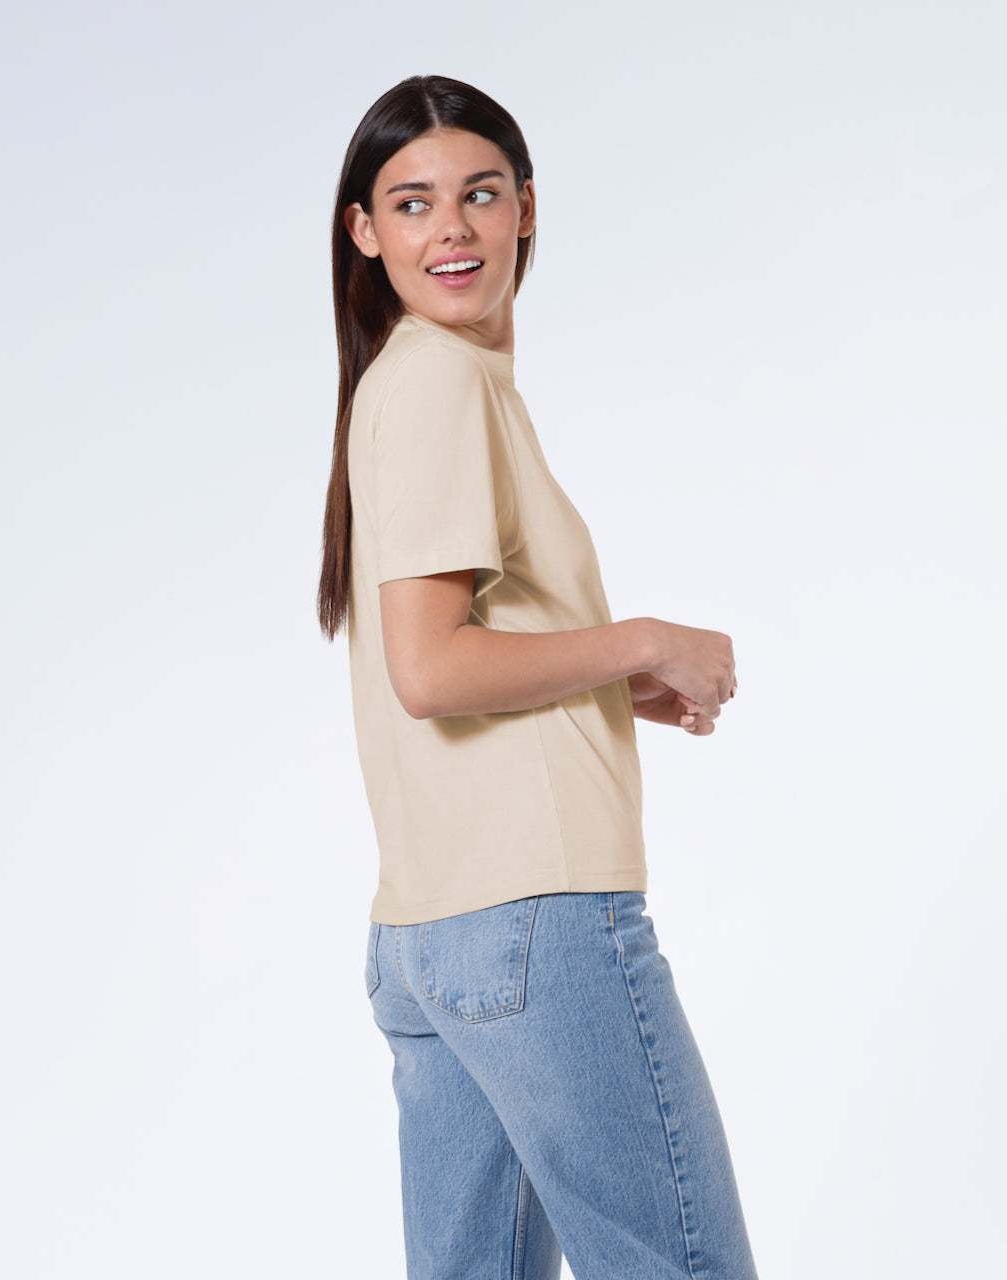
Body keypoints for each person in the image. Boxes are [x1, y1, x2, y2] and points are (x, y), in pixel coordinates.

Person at [318, 75, 758, 1280]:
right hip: (534, 924)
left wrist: (609, 691)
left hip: (434, 930)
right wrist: (642, 640)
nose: (451, 228)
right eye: (412, 203)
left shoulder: (406, 382)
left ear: (525, 207)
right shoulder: (439, 382)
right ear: (365, 230)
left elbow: (457, 650)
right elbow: (430, 665)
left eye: (479, 194)